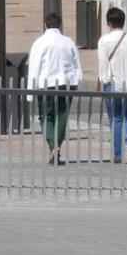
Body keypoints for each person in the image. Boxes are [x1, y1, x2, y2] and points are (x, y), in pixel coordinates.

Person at [27, 12, 83, 165]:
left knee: (46, 116)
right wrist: (77, 82)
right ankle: (57, 146)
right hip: (66, 83)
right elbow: (76, 63)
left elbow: (34, 66)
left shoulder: (39, 42)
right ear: (60, 25)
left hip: (46, 84)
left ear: (45, 25)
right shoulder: (68, 41)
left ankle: (53, 146)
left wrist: (30, 92)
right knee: (62, 116)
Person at [97, 6, 127, 163]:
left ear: (109, 23)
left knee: (116, 118)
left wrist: (102, 81)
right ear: (123, 22)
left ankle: (117, 154)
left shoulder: (104, 40)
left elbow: (102, 64)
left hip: (113, 83)